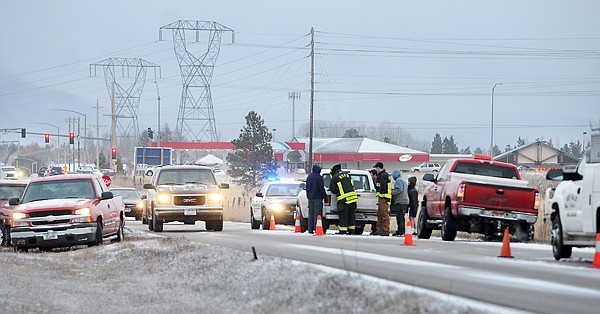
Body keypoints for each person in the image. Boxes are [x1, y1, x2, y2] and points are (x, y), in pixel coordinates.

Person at [329, 164, 358, 235]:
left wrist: (337, 191)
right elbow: (352, 185)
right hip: (353, 198)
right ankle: (351, 230)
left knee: (343, 215)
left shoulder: (335, 178)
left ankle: (343, 230)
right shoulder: (347, 175)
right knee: (351, 215)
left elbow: (332, 190)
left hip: (343, 199)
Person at [305, 164, 327, 234]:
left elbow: (307, 188)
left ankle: (310, 228)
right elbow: (321, 188)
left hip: (310, 198)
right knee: (317, 213)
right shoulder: (319, 177)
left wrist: (308, 196)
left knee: (311, 213)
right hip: (318, 197)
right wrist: (325, 197)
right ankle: (316, 227)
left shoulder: (309, 177)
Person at [373, 162, 391, 236]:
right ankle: (380, 230)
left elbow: (383, 187)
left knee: (384, 214)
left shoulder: (383, 176)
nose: (376, 170)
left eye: (376, 168)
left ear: (378, 168)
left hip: (383, 197)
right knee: (380, 214)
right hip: (382, 197)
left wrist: (379, 193)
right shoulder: (383, 175)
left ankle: (385, 230)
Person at [390, 170, 409, 236]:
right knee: (402, 217)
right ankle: (402, 230)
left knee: (399, 217)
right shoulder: (403, 180)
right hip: (405, 201)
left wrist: (391, 192)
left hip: (400, 201)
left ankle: (400, 231)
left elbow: (399, 189)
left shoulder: (398, 180)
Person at [369, 169, 378, 235]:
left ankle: (375, 229)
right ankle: (374, 229)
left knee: (377, 216)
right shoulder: (371, 181)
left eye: (371, 175)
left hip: (377, 200)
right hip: (373, 201)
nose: (370, 176)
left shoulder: (377, 181)